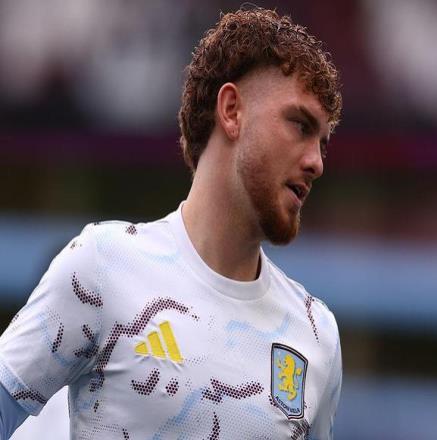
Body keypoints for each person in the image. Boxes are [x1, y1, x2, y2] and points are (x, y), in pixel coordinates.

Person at [0, 7, 342, 439]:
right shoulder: (103, 266)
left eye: (322, 143)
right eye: (300, 125)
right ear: (232, 111)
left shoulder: (315, 334)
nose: (316, 162)